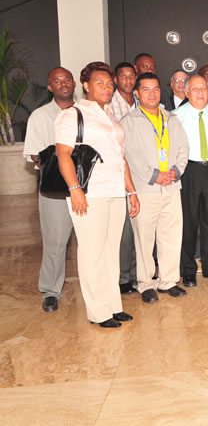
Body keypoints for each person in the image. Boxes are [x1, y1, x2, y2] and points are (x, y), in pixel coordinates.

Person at [54, 61, 139, 328]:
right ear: (87, 86)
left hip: (115, 191)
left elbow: (120, 158)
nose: (106, 88)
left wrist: (131, 190)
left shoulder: (110, 116)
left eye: (109, 84)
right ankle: (98, 312)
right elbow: (63, 154)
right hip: (90, 194)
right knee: (92, 252)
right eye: (100, 83)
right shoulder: (73, 114)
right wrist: (75, 189)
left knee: (111, 251)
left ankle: (113, 305)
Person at [121, 72, 189, 302]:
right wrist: (153, 176)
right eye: (147, 89)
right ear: (137, 93)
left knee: (171, 236)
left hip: (171, 187)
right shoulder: (128, 122)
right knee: (144, 239)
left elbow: (183, 148)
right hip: (145, 189)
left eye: (156, 89)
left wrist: (176, 171)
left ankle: (168, 281)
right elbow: (129, 155)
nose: (152, 93)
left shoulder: (171, 118)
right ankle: (146, 283)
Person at [23, 67, 76, 312]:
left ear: (74, 83)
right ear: (50, 87)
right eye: (57, 81)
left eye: (67, 79)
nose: (63, 83)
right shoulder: (40, 116)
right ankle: (51, 290)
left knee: (93, 242)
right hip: (56, 190)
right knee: (55, 242)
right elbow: (34, 154)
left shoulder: (86, 112)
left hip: (89, 188)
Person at [174, 75, 208, 286]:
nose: (199, 92)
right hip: (189, 171)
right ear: (186, 93)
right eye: (195, 89)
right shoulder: (176, 116)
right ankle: (187, 269)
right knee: (188, 222)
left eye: (203, 89)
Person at [108, 61, 138, 295]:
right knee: (125, 230)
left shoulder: (139, 102)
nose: (127, 80)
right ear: (116, 80)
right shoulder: (109, 106)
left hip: (142, 171)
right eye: (123, 76)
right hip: (121, 172)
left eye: (131, 76)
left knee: (140, 226)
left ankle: (138, 273)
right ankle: (123, 277)